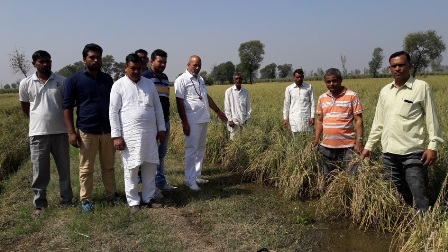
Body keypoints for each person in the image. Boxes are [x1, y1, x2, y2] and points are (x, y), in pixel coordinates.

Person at [361, 51, 443, 212]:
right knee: (397, 193)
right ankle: (406, 223)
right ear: (390, 68)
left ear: (410, 66)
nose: (397, 69)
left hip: (412, 153)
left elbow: (431, 119)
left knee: (418, 193)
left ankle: (425, 228)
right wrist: (369, 146)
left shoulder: (421, 87)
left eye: (401, 65)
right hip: (389, 154)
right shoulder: (385, 91)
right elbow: (379, 122)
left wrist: (433, 146)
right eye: (394, 66)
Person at [63, 43, 119, 213]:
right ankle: (86, 200)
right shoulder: (74, 80)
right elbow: (67, 107)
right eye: (92, 57)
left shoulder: (107, 79)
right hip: (87, 131)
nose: (96, 60)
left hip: (107, 130)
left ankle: (112, 195)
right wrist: (71, 132)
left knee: (108, 166)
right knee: (86, 168)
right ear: (84, 59)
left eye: (98, 57)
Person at [19, 50, 73, 218]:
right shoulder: (26, 83)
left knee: (64, 169)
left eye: (48, 61)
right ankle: (40, 204)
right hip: (37, 133)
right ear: (34, 63)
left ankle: (67, 200)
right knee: (40, 171)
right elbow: (26, 107)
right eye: (41, 61)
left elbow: (67, 106)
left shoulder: (62, 81)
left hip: (60, 132)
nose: (45, 64)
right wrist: (38, 119)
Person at [110, 54, 166, 214]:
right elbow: (113, 112)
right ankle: (133, 201)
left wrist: (161, 128)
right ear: (125, 68)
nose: (136, 71)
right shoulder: (119, 85)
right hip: (129, 135)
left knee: (149, 165)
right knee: (131, 168)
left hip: (150, 134)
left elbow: (157, 108)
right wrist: (117, 136)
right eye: (132, 68)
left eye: (139, 68)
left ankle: (148, 198)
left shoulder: (149, 84)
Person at [174, 55, 227, 190]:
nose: (197, 68)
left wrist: (218, 111)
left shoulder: (201, 79)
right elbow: (179, 103)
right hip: (191, 120)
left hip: (203, 118)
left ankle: (197, 176)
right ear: (188, 65)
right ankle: (189, 180)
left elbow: (206, 97)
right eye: (194, 65)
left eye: (199, 65)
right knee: (192, 150)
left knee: (200, 149)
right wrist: (184, 122)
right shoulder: (181, 80)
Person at [311, 68, 363, 181]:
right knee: (328, 177)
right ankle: (329, 197)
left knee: (351, 177)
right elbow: (320, 120)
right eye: (328, 82)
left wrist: (359, 141)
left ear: (340, 80)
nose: (331, 84)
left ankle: (349, 198)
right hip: (327, 146)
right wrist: (316, 139)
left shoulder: (352, 96)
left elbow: (358, 119)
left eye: (334, 81)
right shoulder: (322, 98)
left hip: (348, 146)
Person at [142, 49, 177, 196]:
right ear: (152, 61)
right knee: (151, 156)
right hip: (152, 124)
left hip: (165, 122)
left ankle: (161, 182)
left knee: (161, 155)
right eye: (160, 61)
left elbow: (165, 100)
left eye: (165, 62)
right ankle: (152, 187)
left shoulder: (164, 78)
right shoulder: (145, 78)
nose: (163, 64)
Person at [283, 69, 315, 136]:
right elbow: (286, 104)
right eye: (297, 77)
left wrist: (312, 116)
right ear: (294, 78)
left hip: (306, 117)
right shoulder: (289, 89)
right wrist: (285, 118)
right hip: (294, 117)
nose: (299, 79)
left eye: (301, 77)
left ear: (303, 77)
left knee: (308, 137)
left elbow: (312, 102)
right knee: (295, 138)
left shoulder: (309, 87)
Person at [224, 73, 252, 140]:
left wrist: (247, 117)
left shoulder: (245, 91)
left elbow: (248, 106)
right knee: (234, 139)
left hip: (244, 120)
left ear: (242, 80)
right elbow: (227, 107)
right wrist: (230, 120)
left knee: (244, 139)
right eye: (236, 79)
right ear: (233, 80)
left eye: (239, 78)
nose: (238, 80)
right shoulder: (229, 91)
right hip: (234, 121)